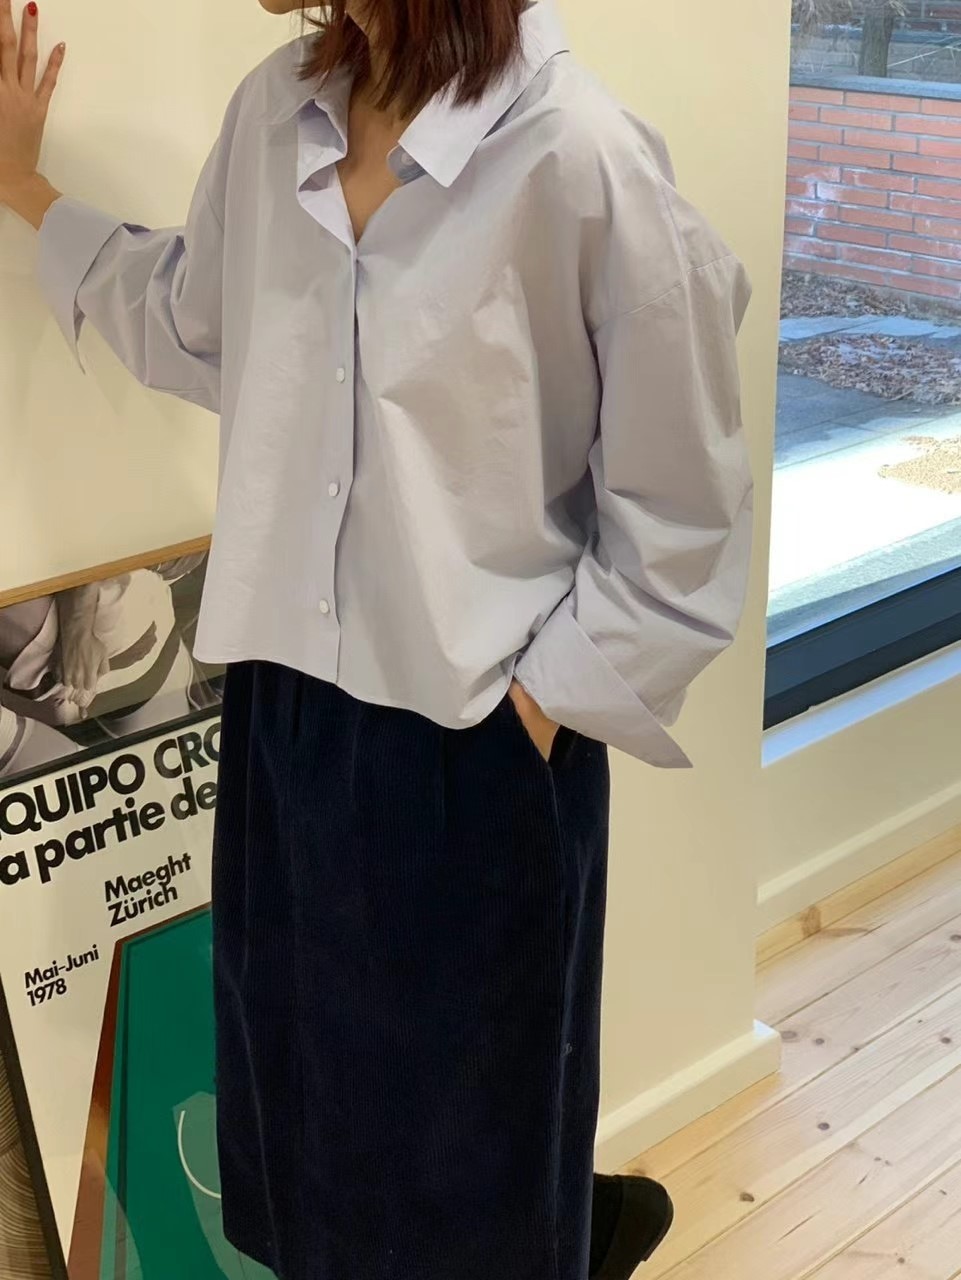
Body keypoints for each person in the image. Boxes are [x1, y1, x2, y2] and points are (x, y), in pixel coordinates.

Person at [0, 0, 755, 1275]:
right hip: (284, 730)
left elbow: (681, 513)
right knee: (300, 1144)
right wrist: (24, 184)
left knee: (470, 1185)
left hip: (476, 747)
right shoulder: (273, 112)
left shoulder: (579, 157)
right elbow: (195, 319)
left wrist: (533, 714)